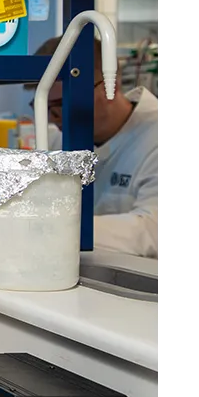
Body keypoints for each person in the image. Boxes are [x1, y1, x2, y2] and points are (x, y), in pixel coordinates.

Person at [33, 35, 162, 258]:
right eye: (45, 107)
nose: (53, 119)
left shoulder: (155, 137)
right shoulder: (58, 139)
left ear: (110, 86)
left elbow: (152, 231)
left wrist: (55, 227)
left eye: (60, 106)